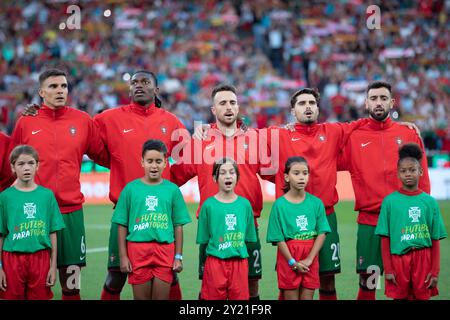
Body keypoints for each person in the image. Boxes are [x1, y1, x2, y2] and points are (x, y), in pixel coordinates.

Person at [10, 68, 108, 300]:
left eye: (64, 86)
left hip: (71, 214)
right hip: (35, 214)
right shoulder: (26, 122)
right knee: (35, 285)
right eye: (53, 86)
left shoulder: (82, 120)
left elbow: (104, 155)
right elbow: (10, 164)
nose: (60, 90)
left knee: (71, 284)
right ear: (41, 92)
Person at [264, 88, 367, 300]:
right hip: (290, 217)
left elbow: (367, 125)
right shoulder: (278, 134)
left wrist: (402, 126)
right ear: (293, 110)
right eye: (302, 103)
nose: (308, 106)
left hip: (325, 215)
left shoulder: (333, 131)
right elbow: (244, 137)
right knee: (289, 281)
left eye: (312, 102)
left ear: (318, 108)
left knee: (328, 278)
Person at [171, 84, 271, 300]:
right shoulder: (200, 140)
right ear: (213, 110)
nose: (228, 107)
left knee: (251, 285)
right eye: (222, 103)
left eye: (232, 102)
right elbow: (174, 177)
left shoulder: (254, 138)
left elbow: (277, 174)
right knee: (209, 286)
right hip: (212, 227)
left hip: (247, 225)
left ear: (238, 107)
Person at [93, 70, 186, 300]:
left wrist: (169, 187)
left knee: (170, 274)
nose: (139, 85)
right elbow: (86, 139)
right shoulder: (109, 118)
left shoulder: (171, 121)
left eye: (145, 82)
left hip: (160, 214)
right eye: (134, 82)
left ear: (156, 89)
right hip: (126, 213)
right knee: (115, 275)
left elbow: (188, 158)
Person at [338, 81, 431, 300]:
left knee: (406, 283)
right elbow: (324, 160)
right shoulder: (353, 137)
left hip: (405, 222)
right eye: (373, 98)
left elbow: (423, 179)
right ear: (366, 103)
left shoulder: (408, 134)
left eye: (382, 98)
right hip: (371, 222)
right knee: (369, 282)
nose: (378, 103)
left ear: (392, 102)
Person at [112, 139, 191, 300]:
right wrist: (123, 256)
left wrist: (178, 256)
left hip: (164, 251)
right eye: (149, 161)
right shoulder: (130, 189)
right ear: (142, 162)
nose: (154, 166)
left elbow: (178, 226)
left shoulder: (172, 190)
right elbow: (121, 224)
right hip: (138, 251)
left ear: (165, 163)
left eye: (158, 161)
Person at [375, 143, 447, 300]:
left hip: (423, 258)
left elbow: (435, 239)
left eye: (412, 170)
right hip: (399, 259)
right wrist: (388, 269)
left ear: (420, 171)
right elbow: (385, 239)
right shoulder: (389, 202)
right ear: (398, 174)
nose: (408, 174)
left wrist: (434, 272)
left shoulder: (430, 202)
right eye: (403, 171)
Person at [0, 145, 65, 300]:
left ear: (37, 166)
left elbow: (53, 232)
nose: (26, 168)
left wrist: (52, 266)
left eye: (30, 163)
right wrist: (0, 268)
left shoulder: (47, 195)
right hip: (12, 259)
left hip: (40, 258)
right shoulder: (5, 197)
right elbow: (1, 235)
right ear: (13, 167)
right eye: (21, 164)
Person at [266, 156, 330, 300]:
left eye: (305, 173)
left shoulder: (316, 203)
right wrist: (292, 262)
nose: (301, 177)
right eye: (296, 173)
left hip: (310, 256)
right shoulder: (279, 205)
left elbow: (322, 232)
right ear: (286, 177)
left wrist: (309, 259)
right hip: (289, 256)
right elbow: (278, 238)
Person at [196, 157, 257, 300]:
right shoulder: (208, 205)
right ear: (214, 178)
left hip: (239, 263)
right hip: (215, 262)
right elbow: (204, 240)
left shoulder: (245, 205)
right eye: (222, 172)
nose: (228, 176)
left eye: (231, 172)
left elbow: (249, 238)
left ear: (238, 177)